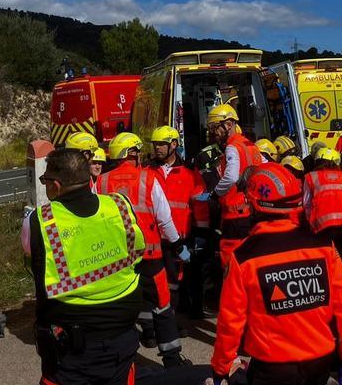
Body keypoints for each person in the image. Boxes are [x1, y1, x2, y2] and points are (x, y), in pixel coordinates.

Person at [211, 163, 342, 385]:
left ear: (254, 205)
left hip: (273, 368)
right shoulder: (323, 246)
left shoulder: (244, 257)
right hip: (320, 363)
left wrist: (221, 369)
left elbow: (231, 322)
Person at [26, 148, 146, 385]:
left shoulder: (43, 220)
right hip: (121, 339)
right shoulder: (118, 205)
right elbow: (137, 255)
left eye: (45, 181)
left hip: (73, 351)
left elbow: (40, 282)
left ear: (56, 185)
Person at [98, 132, 189, 367]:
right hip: (149, 257)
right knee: (162, 304)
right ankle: (171, 359)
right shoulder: (148, 179)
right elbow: (164, 219)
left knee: (120, 307)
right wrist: (177, 244)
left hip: (117, 259)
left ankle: (122, 358)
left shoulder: (102, 182)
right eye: (137, 151)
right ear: (132, 154)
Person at [147, 126, 205, 325]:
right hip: (154, 238)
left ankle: (177, 322)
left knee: (179, 282)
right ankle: (162, 323)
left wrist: (201, 233)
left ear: (174, 144)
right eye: (155, 144)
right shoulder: (147, 172)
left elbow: (198, 203)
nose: (157, 148)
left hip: (180, 238)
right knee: (157, 282)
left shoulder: (189, 173)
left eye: (162, 144)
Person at [199, 104, 263, 268]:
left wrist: (214, 194)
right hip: (251, 211)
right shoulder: (250, 145)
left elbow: (231, 176)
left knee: (231, 261)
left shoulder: (232, 147)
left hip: (235, 216)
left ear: (228, 125)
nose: (214, 133)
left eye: (215, 128)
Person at [302, 148, 342, 271]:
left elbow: (306, 206)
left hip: (324, 229)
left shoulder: (310, 177)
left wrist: (310, 229)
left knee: (328, 269)